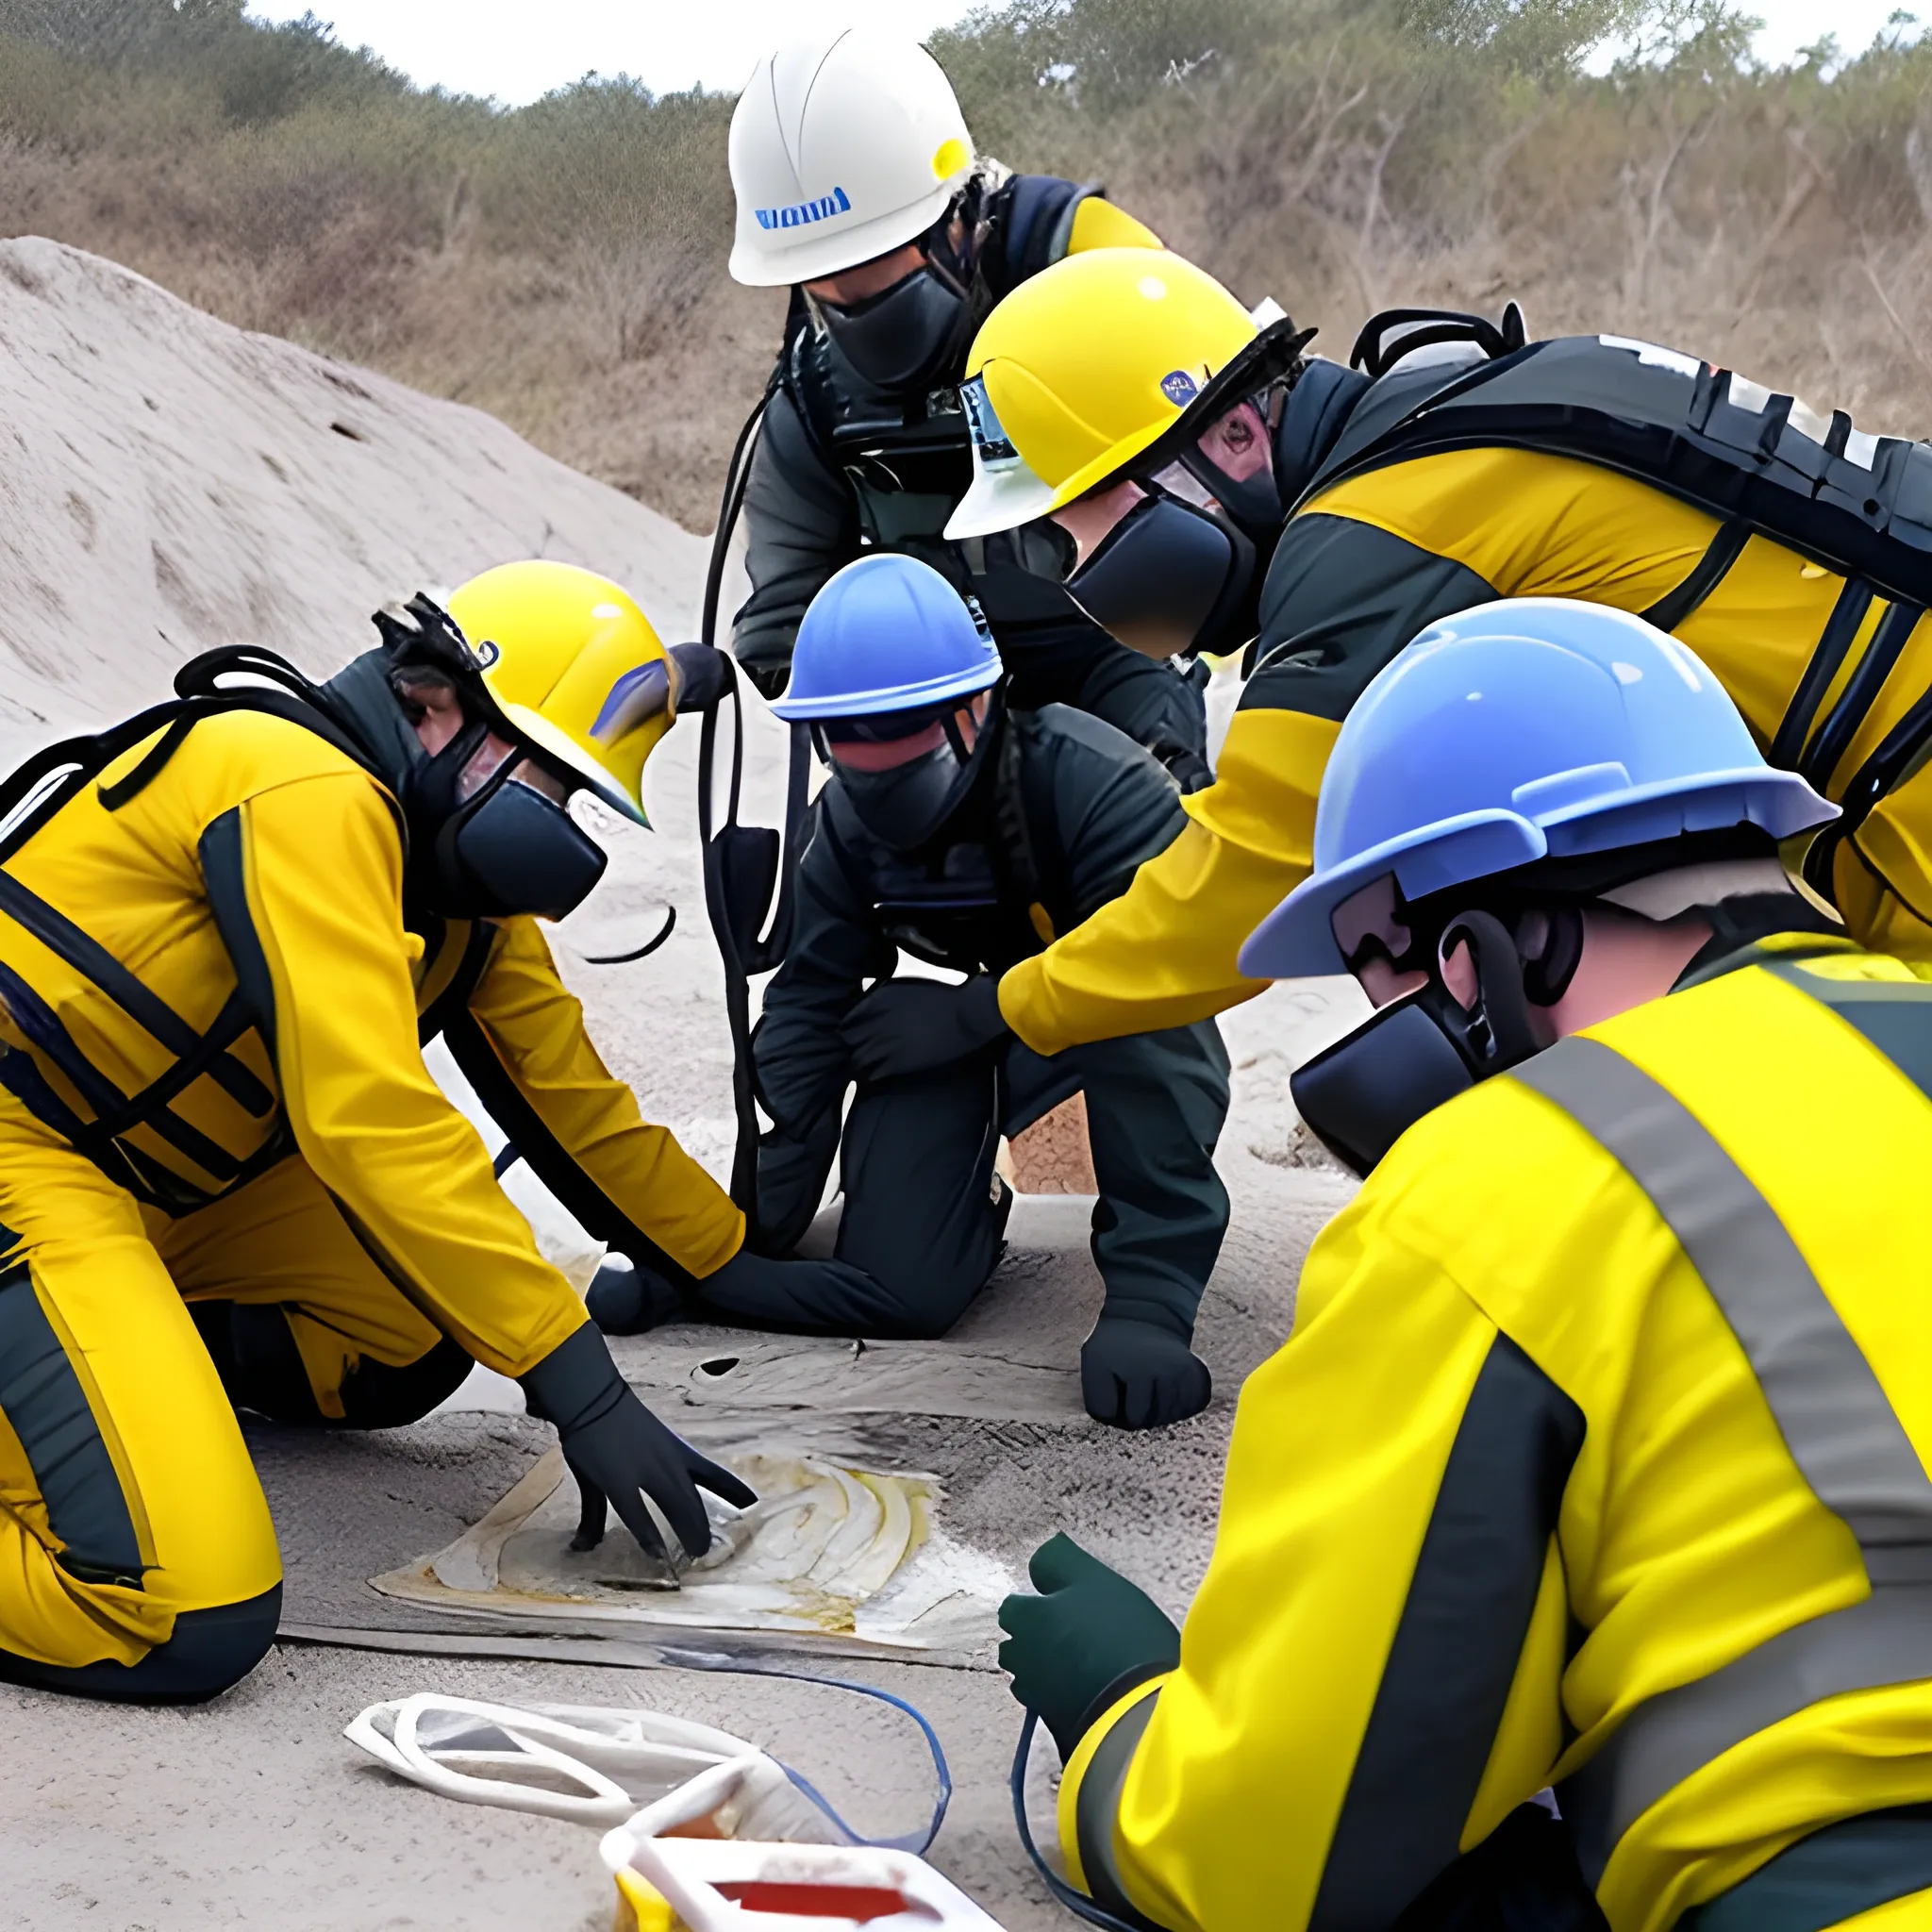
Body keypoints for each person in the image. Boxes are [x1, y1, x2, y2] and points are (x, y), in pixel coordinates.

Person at [998, 599, 1932, 1931]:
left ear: (1466, 964)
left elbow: (1276, 1854)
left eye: (1374, 987)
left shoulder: (1511, 1170)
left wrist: (1129, 1727)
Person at [0, 558, 850, 1704]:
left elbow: (572, 1100)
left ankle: (114, 1375)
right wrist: (575, 1378)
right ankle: (93, 1414)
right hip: (26, 1153)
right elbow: (370, 1114)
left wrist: (725, 1256)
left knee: (406, 1332)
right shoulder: (294, 781)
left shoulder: (450, 893)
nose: (559, 826)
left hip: (163, 1191)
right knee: (178, 1608)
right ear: (435, 700)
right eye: (548, 778)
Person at [941, 245, 1932, 1074]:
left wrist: (1005, 1012)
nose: (1070, 569)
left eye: (1073, 527)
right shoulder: (1444, 422)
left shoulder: (1373, 531)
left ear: (1233, 433)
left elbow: (1245, 879)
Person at [702, 552, 1230, 1430]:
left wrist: (1152, 1301)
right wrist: (734, 1235)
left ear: (978, 706)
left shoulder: (1097, 786)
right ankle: (969, 1206)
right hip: (966, 1032)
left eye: (902, 729)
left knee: (1134, 1028)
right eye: (845, 734)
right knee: (906, 1293)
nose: (872, 760)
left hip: (1108, 1011)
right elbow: (804, 1010)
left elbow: (1161, 1011)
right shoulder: (841, 824)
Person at [723, 26, 1213, 788]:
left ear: (955, 217)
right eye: (825, 281)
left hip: (1111, 649)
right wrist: (871, 730)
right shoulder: (813, 391)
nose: (854, 303)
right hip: (925, 689)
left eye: (873, 264)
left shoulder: (1088, 262)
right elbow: (787, 611)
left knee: (1154, 820)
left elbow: (1233, 449)